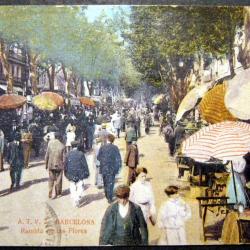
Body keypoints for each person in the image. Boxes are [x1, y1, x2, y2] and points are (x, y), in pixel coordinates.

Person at [97, 134, 122, 203]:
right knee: (111, 183)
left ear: (107, 139)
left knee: (105, 182)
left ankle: (107, 195)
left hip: (104, 168)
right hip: (112, 168)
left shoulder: (102, 147)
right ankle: (109, 197)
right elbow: (118, 159)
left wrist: (103, 161)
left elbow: (98, 157)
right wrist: (118, 167)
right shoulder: (115, 147)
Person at [64, 141, 89, 207]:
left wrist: (66, 173)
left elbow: (65, 165)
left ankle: (75, 199)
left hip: (71, 172)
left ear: (71, 146)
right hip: (79, 172)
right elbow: (84, 164)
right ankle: (77, 198)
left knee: (72, 186)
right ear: (77, 146)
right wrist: (87, 172)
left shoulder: (68, 154)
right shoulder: (81, 154)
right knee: (80, 186)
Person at [45, 132, 65, 199]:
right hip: (59, 165)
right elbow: (64, 158)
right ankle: (58, 193)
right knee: (59, 179)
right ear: (59, 137)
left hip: (51, 164)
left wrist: (46, 164)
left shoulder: (50, 144)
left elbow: (47, 155)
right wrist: (64, 166)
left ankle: (50, 191)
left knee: (51, 179)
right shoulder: (62, 145)